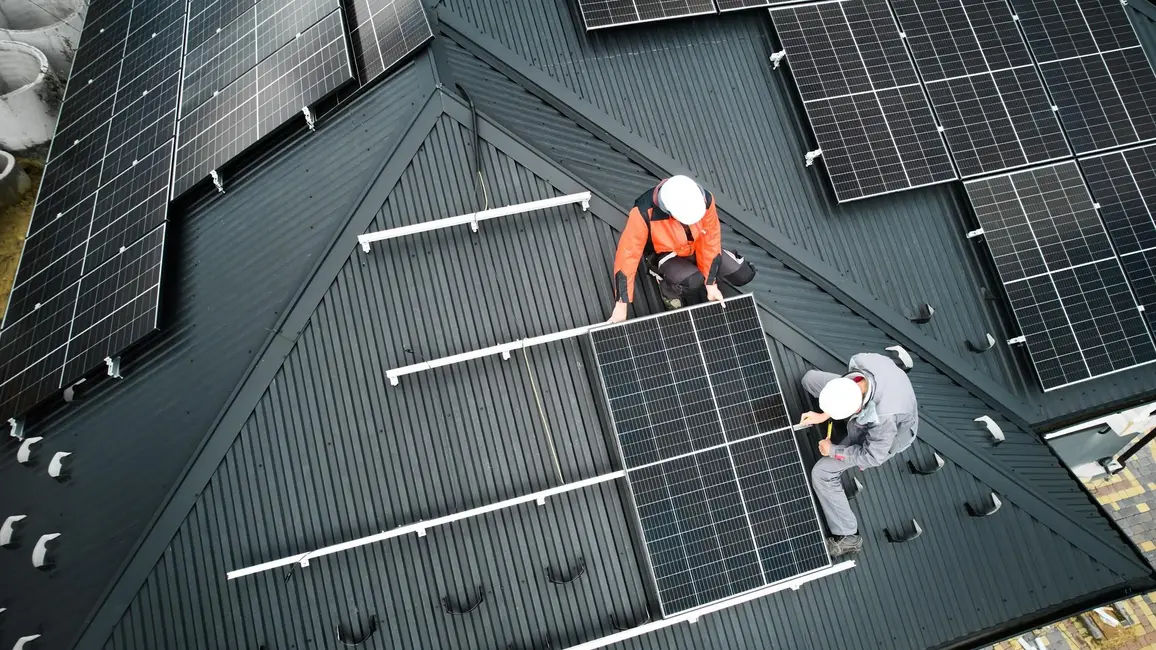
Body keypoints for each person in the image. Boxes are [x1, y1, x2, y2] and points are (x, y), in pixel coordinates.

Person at [798, 352, 919, 557]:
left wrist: (833, 450)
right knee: (810, 380)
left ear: (856, 409)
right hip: (869, 396)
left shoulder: (883, 420)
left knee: (822, 473)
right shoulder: (860, 361)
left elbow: (872, 456)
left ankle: (848, 536)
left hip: (889, 436)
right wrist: (825, 414)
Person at [607, 175, 756, 322]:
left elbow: (710, 239)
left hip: (696, 246)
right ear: (669, 211)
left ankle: (704, 270)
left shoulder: (704, 200)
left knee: (743, 274)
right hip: (667, 254)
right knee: (692, 282)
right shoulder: (643, 213)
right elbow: (627, 256)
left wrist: (711, 284)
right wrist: (621, 303)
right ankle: (666, 287)